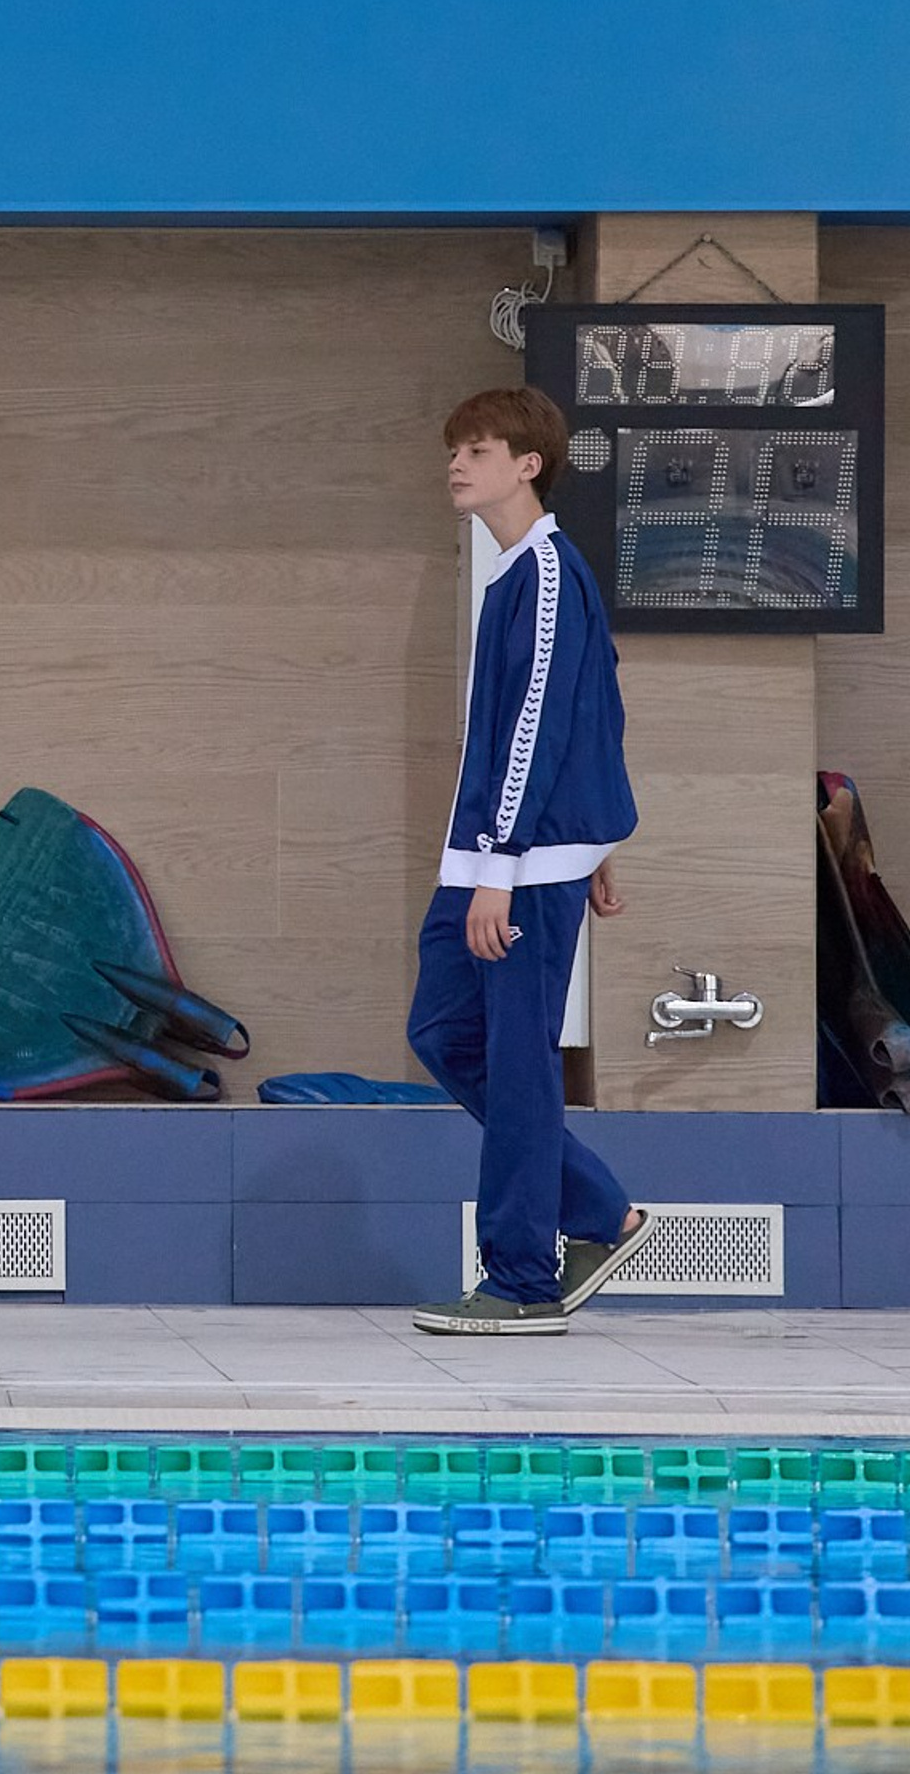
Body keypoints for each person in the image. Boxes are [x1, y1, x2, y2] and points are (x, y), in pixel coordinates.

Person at [408, 387, 652, 1337]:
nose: (456, 463)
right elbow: (594, 709)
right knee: (444, 1033)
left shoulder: (548, 575)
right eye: (454, 449)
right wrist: (585, 837)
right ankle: (598, 1210)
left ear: (528, 464)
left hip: (513, 864)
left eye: (476, 447)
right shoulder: (514, 577)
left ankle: (520, 1280)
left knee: (516, 1067)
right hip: (499, 855)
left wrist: (511, 862)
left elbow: (544, 726)